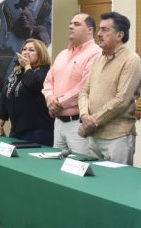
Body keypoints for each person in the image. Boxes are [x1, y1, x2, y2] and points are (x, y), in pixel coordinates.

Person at [78, 12, 141, 165]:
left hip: (117, 137)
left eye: (105, 30)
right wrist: (83, 116)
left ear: (120, 35)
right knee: (92, 186)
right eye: (99, 29)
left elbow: (122, 100)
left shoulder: (131, 60)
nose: (99, 34)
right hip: (94, 136)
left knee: (115, 186)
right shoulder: (98, 58)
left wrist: (91, 121)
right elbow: (84, 91)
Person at [42, 13, 101, 156]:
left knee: (78, 168)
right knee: (56, 167)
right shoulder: (62, 54)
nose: (70, 26)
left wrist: (58, 103)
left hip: (77, 123)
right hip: (58, 122)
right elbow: (48, 81)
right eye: (70, 23)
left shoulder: (96, 53)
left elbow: (85, 87)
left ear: (90, 30)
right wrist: (50, 98)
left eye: (77, 24)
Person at [0, 39, 54, 146]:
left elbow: (32, 83)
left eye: (31, 50)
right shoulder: (16, 72)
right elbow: (5, 97)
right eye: (24, 49)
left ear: (41, 54)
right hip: (16, 130)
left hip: (38, 131)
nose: (26, 52)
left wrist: (27, 66)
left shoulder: (45, 72)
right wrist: (0, 126)